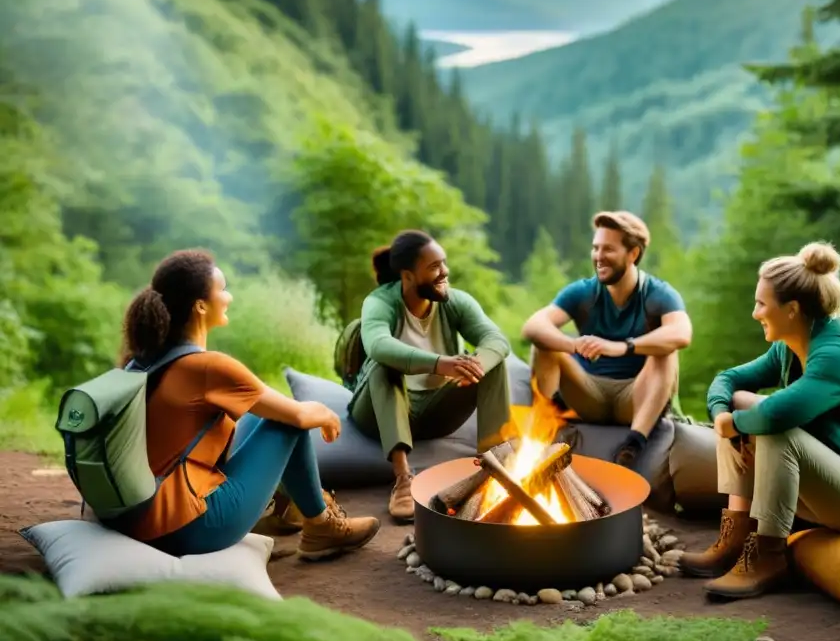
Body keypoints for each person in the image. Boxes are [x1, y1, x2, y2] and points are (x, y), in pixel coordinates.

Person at [676, 241, 840, 600]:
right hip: (834, 482)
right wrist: (722, 415)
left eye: (761, 304)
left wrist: (734, 424)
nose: (755, 313)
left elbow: (777, 415)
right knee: (742, 403)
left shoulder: (836, 355)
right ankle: (735, 537)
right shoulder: (791, 345)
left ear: (791, 309)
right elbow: (728, 379)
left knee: (775, 427)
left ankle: (768, 556)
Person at [119, 249, 381, 561]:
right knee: (288, 421)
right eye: (222, 289)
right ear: (200, 305)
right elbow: (297, 415)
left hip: (140, 515)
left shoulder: (143, 360)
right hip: (188, 527)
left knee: (261, 419)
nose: (228, 297)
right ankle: (322, 526)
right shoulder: (206, 367)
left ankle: (286, 510)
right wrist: (324, 413)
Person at [348, 230, 514, 523]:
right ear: (408, 276)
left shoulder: (455, 301)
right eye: (434, 267)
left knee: (494, 363)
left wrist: (475, 365)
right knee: (384, 362)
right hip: (376, 414)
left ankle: (497, 466)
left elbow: (496, 340)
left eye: (444, 263)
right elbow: (377, 345)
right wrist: (440, 364)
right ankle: (402, 478)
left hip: (435, 413)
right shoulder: (380, 302)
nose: (444, 272)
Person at [521, 211, 692, 468]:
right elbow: (533, 326)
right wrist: (574, 345)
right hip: (589, 393)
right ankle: (541, 430)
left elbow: (681, 334)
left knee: (666, 351)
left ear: (633, 254)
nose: (599, 257)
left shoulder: (659, 294)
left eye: (608, 249)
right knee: (544, 346)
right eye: (596, 248)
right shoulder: (583, 291)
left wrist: (623, 347)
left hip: (634, 398)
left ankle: (634, 443)